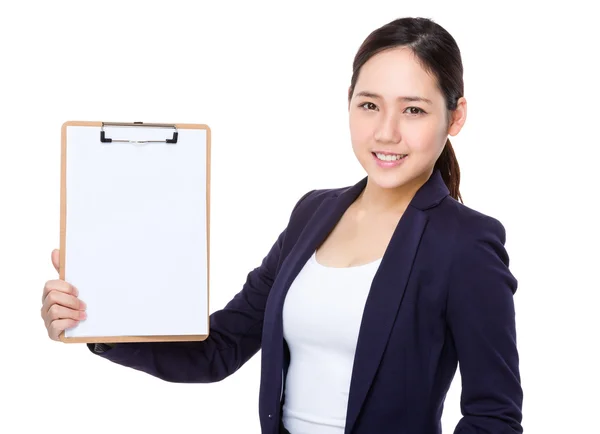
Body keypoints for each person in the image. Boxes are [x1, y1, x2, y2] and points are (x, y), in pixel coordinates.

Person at [41, 16, 523, 434]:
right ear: (349, 102)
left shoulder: (466, 243)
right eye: (370, 104)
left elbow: (493, 415)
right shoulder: (313, 212)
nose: (386, 132)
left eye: (413, 109)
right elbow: (221, 348)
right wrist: (97, 322)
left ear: (455, 116)